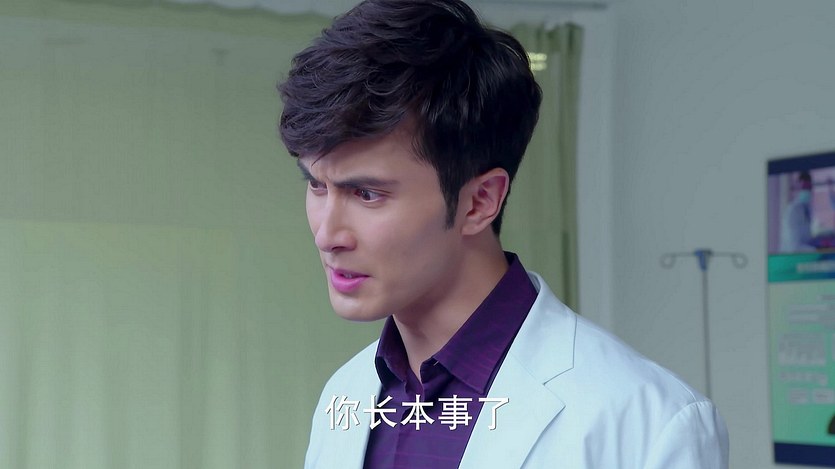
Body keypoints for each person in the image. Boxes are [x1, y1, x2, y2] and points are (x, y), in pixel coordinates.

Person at [277, 0, 729, 467]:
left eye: (367, 194)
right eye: (316, 184)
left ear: (479, 202)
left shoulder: (649, 422)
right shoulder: (345, 397)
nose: (327, 234)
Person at [780, 171, 815, 252]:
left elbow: (806, 237)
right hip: (790, 255)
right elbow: (794, 246)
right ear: (797, 188)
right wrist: (816, 250)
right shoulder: (793, 211)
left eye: (809, 188)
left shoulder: (807, 209)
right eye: (804, 187)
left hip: (804, 252)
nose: (807, 191)